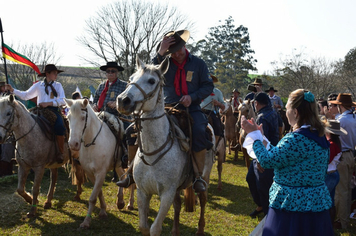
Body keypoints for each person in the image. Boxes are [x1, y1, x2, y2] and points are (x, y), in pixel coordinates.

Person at [117, 29, 214, 193]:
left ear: (184, 46)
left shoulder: (198, 64)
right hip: (167, 108)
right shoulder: (164, 63)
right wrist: (160, 52)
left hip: (192, 108)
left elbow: (208, 86)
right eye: (171, 52)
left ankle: (198, 176)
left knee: (199, 130)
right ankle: (130, 172)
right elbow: (147, 74)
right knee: (131, 130)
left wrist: (192, 96)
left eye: (178, 50)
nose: (175, 54)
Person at [241, 89, 333, 236]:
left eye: (287, 108)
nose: (286, 112)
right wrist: (262, 138)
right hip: (316, 206)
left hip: (292, 208)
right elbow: (283, 155)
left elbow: (266, 160)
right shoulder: (318, 135)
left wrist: (254, 136)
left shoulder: (296, 139)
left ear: (295, 112)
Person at [5, 64, 66, 163]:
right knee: (25, 123)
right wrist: (13, 90)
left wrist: (49, 103)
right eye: (54, 73)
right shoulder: (38, 85)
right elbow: (25, 95)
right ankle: (24, 152)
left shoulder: (58, 85)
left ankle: (60, 152)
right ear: (47, 74)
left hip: (54, 110)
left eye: (56, 73)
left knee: (59, 126)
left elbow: (63, 100)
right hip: (40, 111)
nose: (56, 75)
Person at [246, 92, 279, 218]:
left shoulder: (261, 117)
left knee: (263, 186)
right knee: (250, 178)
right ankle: (260, 205)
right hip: (271, 150)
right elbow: (281, 127)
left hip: (263, 154)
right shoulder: (274, 113)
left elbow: (260, 138)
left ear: (256, 103)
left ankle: (267, 214)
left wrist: (260, 159)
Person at [329, 93, 356, 229]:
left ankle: (342, 221)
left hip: (342, 156)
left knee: (341, 191)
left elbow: (329, 135)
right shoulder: (353, 118)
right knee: (347, 189)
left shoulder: (341, 120)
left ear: (340, 106)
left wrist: (330, 119)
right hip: (351, 154)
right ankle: (344, 218)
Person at [323, 119, 346, 225]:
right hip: (333, 173)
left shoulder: (331, 145)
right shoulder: (335, 143)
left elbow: (326, 161)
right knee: (330, 201)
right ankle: (330, 224)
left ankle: (326, 223)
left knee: (324, 201)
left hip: (329, 175)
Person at [200, 75, 226, 146]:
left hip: (211, 112)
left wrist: (218, 103)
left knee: (218, 127)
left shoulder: (218, 92)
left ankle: (215, 145)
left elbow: (224, 106)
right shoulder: (200, 90)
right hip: (199, 111)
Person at [0, 81, 15, 176]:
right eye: (2, 86)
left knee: (8, 144)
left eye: (5, 86)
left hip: (6, 124)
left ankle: (6, 169)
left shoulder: (9, 97)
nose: (4, 88)